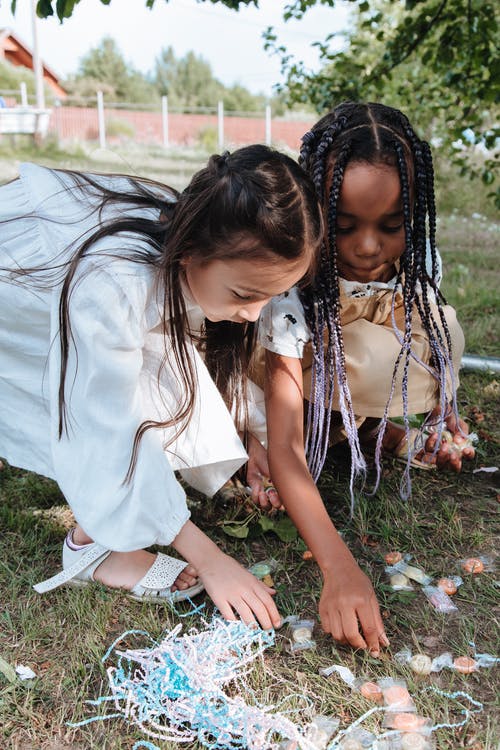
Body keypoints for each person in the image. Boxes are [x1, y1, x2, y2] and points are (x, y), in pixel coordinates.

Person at [0, 145, 323, 631]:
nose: (256, 314)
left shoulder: (206, 234)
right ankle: (96, 546)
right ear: (191, 253)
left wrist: (247, 433)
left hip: (59, 293)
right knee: (98, 398)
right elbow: (107, 421)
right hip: (16, 292)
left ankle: (110, 528)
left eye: (270, 296)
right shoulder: (112, 283)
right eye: (244, 296)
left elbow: (189, 351)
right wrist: (211, 560)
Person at [256, 102, 474, 654]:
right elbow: (285, 442)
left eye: (391, 226)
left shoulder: (419, 263)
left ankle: (372, 433)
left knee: (431, 326)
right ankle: (276, 450)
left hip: (330, 396)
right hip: (269, 403)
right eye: (345, 226)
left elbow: (432, 346)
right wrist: (339, 567)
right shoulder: (291, 281)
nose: (369, 247)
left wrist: (442, 419)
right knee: (273, 446)